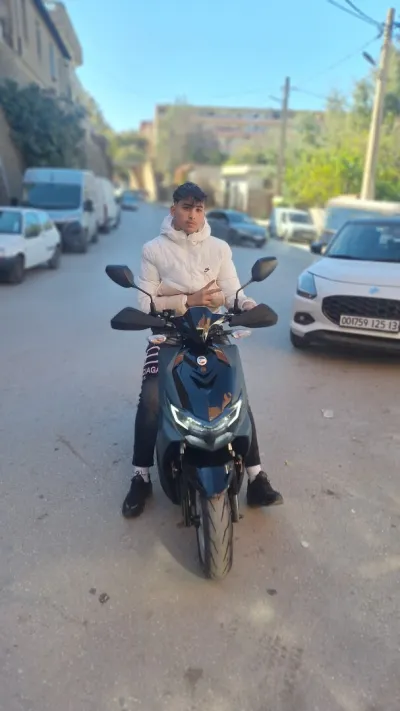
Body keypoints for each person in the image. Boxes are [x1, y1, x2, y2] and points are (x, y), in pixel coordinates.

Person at [122, 182, 283, 518]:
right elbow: (145, 303)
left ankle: (256, 476)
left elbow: (233, 292)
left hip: (214, 331)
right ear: (173, 210)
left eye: (198, 209)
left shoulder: (219, 248)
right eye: (186, 208)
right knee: (151, 398)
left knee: (235, 397)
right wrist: (188, 300)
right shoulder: (153, 249)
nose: (192, 215)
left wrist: (247, 305)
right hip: (169, 333)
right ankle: (141, 475)